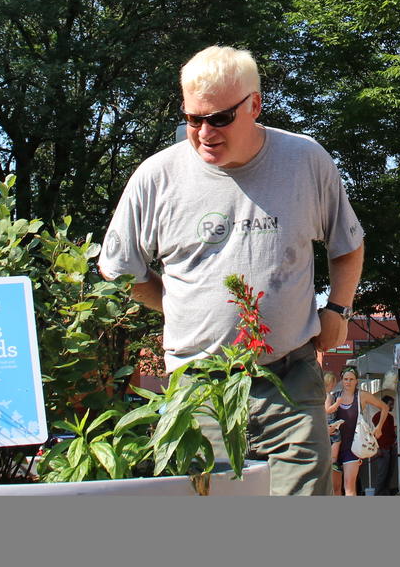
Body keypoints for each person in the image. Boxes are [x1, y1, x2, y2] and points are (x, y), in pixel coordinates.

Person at [98, 45, 367, 495]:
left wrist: (338, 309)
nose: (204, 132)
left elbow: (348, 244)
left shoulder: (304, 159)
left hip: (290, 379)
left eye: (219, 118)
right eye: (192, 119)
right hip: (201, 388)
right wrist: (174, 306)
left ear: (255, 104)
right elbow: (120, 270)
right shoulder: (157, 177)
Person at [324, 365, 390, 495]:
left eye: (351, 379)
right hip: (335, 447)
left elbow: (385, 408)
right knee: (335, 488)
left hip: (353, 447)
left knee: (349, 486)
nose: (348, 382)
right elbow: (325, 415)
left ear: (356, 381)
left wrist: (379, 427)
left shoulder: (362, 396)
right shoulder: (334, 396)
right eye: (345, 379)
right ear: (341, 380)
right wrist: (327, 429)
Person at [370, 394, 398, 494]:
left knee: (389, 473)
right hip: (383, 448)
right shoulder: (377, 417)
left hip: (390, 447)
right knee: (382, 474)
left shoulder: (390, 417)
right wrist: (377, 448)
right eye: (390, 404)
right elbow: (375, 434)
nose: (392, 407)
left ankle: (384, 493)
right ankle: (378, 493)